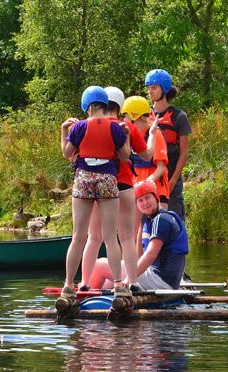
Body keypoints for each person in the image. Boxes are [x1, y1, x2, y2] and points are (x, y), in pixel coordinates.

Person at [58, 86, 131, 302]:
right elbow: (125, 157)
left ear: (87, 106)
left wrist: (64, 132)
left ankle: (69, 285)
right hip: (107, 180)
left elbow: (67, 153)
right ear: (104, 104)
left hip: (83, 179)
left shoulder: (79, 127)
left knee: (79, 236)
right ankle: (118, 285)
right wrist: (125, 137)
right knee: (110, 237)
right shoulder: (116, 128)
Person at [79, 87, 154, 288]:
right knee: (127, 237)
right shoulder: (125, 127)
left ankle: (85, 282)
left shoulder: (89, 126)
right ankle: (132, 282)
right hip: (124, 186)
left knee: (94, 237)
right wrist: (153, 135)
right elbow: (147, 156)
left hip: (99, 189)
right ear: (120, 106)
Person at [89, 180, 188, 290]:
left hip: (159, 279)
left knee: (99, 266)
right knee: (108, 281)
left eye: (147, 198)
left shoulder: (162, 219)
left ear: (156, 197)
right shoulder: (149, 221)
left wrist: (128, 281)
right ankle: (97, 294)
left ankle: (85, 298)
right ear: (136, 205)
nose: (145, 203)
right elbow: (139, 257)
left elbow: (151, 254)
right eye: (140, 200)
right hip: (160, 277)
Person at [145, 69, 191, 219]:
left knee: (173, 221)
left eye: (154, 88)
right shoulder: (144, 115)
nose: (150, 92)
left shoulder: (179, 116)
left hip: (171, 178)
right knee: (146, 224)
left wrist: (172, 181)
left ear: (164, 88)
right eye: (148, 88)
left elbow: (184, 153)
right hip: (149, 177)